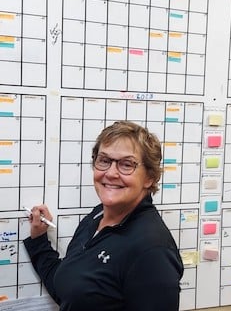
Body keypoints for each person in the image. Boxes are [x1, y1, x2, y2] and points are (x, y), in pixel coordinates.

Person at [24, 120, 184, 311]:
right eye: (104, 160)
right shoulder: (97, 217)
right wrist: (39, 241)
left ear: (149, 177)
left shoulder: (152, 250)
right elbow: (71, 291)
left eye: (127, 164)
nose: (111, 173)